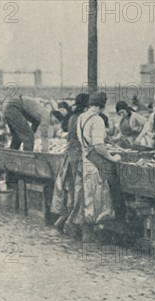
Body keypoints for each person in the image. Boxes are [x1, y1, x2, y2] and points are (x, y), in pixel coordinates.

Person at [76, 92, 122, 242]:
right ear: (103, 105)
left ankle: (88, 231)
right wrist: (112, 157)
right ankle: (107, 229)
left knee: (90, 194)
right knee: (104, 193)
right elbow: (98, 145)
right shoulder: (97, 120)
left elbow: (86, 141)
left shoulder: (81, 117)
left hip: (85, 159)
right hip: (96, 161)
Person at [51, 93, 90, 234]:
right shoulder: (82, 117)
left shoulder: (72, 116)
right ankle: (70, 222)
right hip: (78, 155)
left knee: (72, 190)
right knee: (79, 190)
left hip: (69, 154)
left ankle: (64, 220)